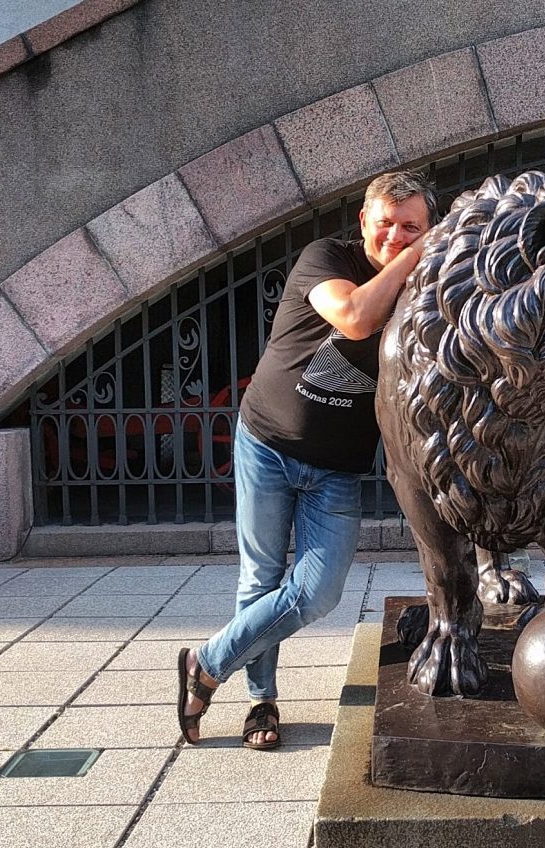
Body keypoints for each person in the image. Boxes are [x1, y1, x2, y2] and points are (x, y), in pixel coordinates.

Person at [177, 170, 439, 749]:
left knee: (319, 591)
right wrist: (416, 253)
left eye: (412, 226)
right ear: (364, 224)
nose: (397, 235)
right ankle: (259, 703)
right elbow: (354, 317)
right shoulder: (326, 258)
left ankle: (206, 662)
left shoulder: (429, 287)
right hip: (267, 443)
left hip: (337, 468)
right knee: (261, 578)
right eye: (387, 224)